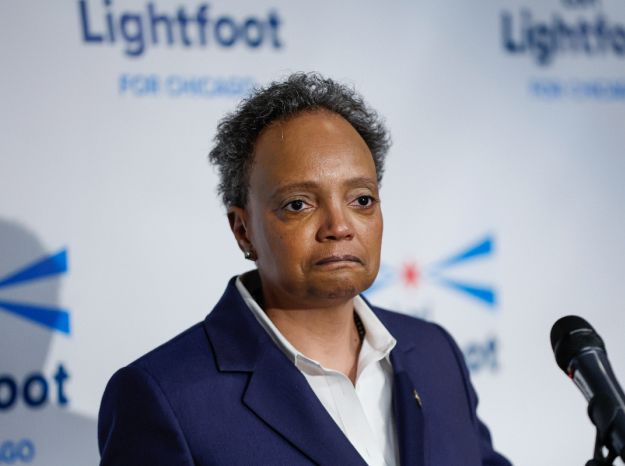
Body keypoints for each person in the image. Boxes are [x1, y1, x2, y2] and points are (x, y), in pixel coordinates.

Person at [98, 72, 511, 466]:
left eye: (362, 200)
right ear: (243, 231)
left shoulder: (435, 353)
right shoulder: (165, 397)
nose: (339, 227)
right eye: (299, 204)